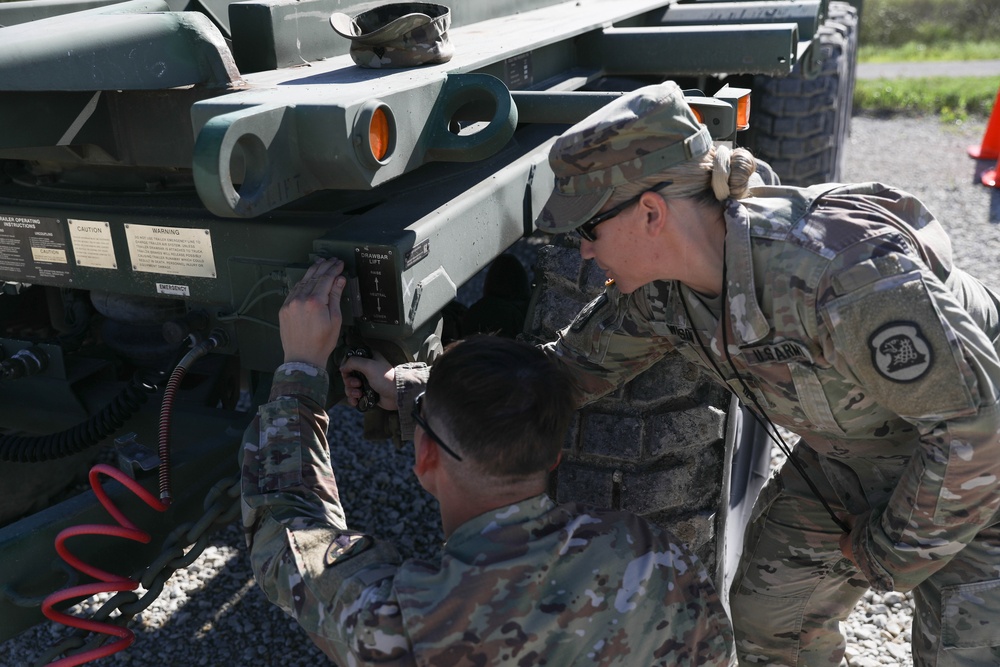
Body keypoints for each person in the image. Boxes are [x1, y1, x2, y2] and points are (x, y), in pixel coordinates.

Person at [518, 79, 1000, 666]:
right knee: (772, 619)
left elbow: (976, 432)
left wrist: (886, 552)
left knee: (967, 648)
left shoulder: (840, 276)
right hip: (859, 453)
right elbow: (566, 374)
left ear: (650, 212)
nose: (585, 252)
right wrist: (418, 391)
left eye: (587, 230)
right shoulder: (663, 295)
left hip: (981, 470)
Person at [240, 257, 736, 666]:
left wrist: (300, 369)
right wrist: (417, 394)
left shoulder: (408, 626)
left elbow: (282, 531)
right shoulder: (656, 557)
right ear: (554, 454)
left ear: (423, 453)